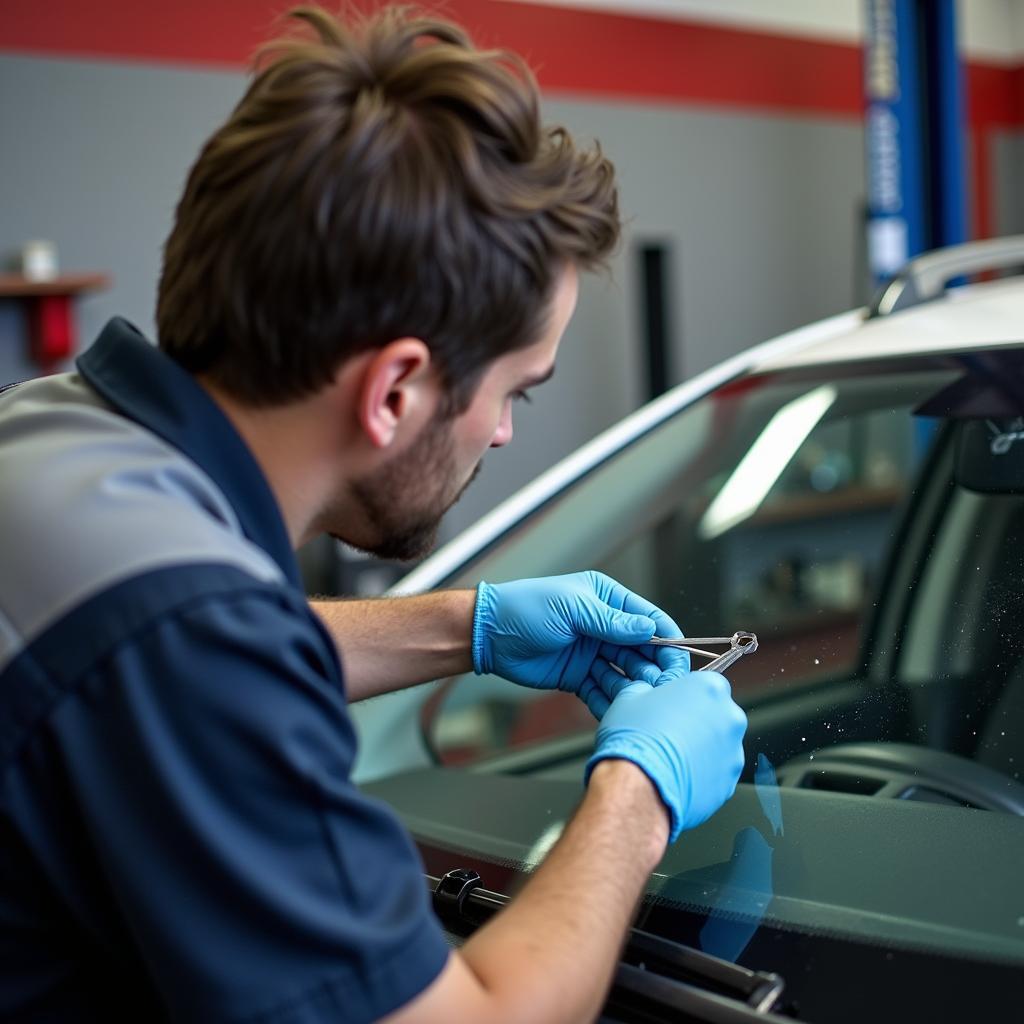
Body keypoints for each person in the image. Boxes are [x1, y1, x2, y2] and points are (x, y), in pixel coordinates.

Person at [0, 6, 747, 1022]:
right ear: (395, 389)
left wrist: (460, 624)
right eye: (515, 390)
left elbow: (132, 659)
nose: (501, 435)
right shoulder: (186, 637)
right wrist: (641, 792)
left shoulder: (52, 428)